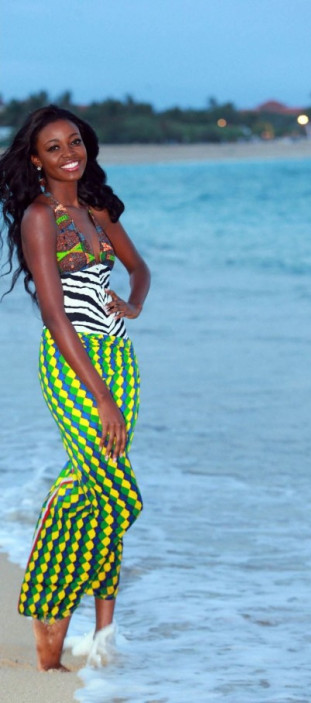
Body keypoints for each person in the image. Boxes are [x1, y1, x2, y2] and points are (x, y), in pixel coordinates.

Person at [0, 105, 150, 671]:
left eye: (75, 142)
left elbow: (139, 267)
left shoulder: (97, 206)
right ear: (36, 161)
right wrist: (102, 397)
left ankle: (89, 636)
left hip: (120, 358)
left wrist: (133, 302)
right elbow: (55, 316)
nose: (70, 154)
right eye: (55, 148)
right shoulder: (38, 216)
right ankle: (57, 610)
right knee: (119, 493)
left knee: (96, 491)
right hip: (72, 363)